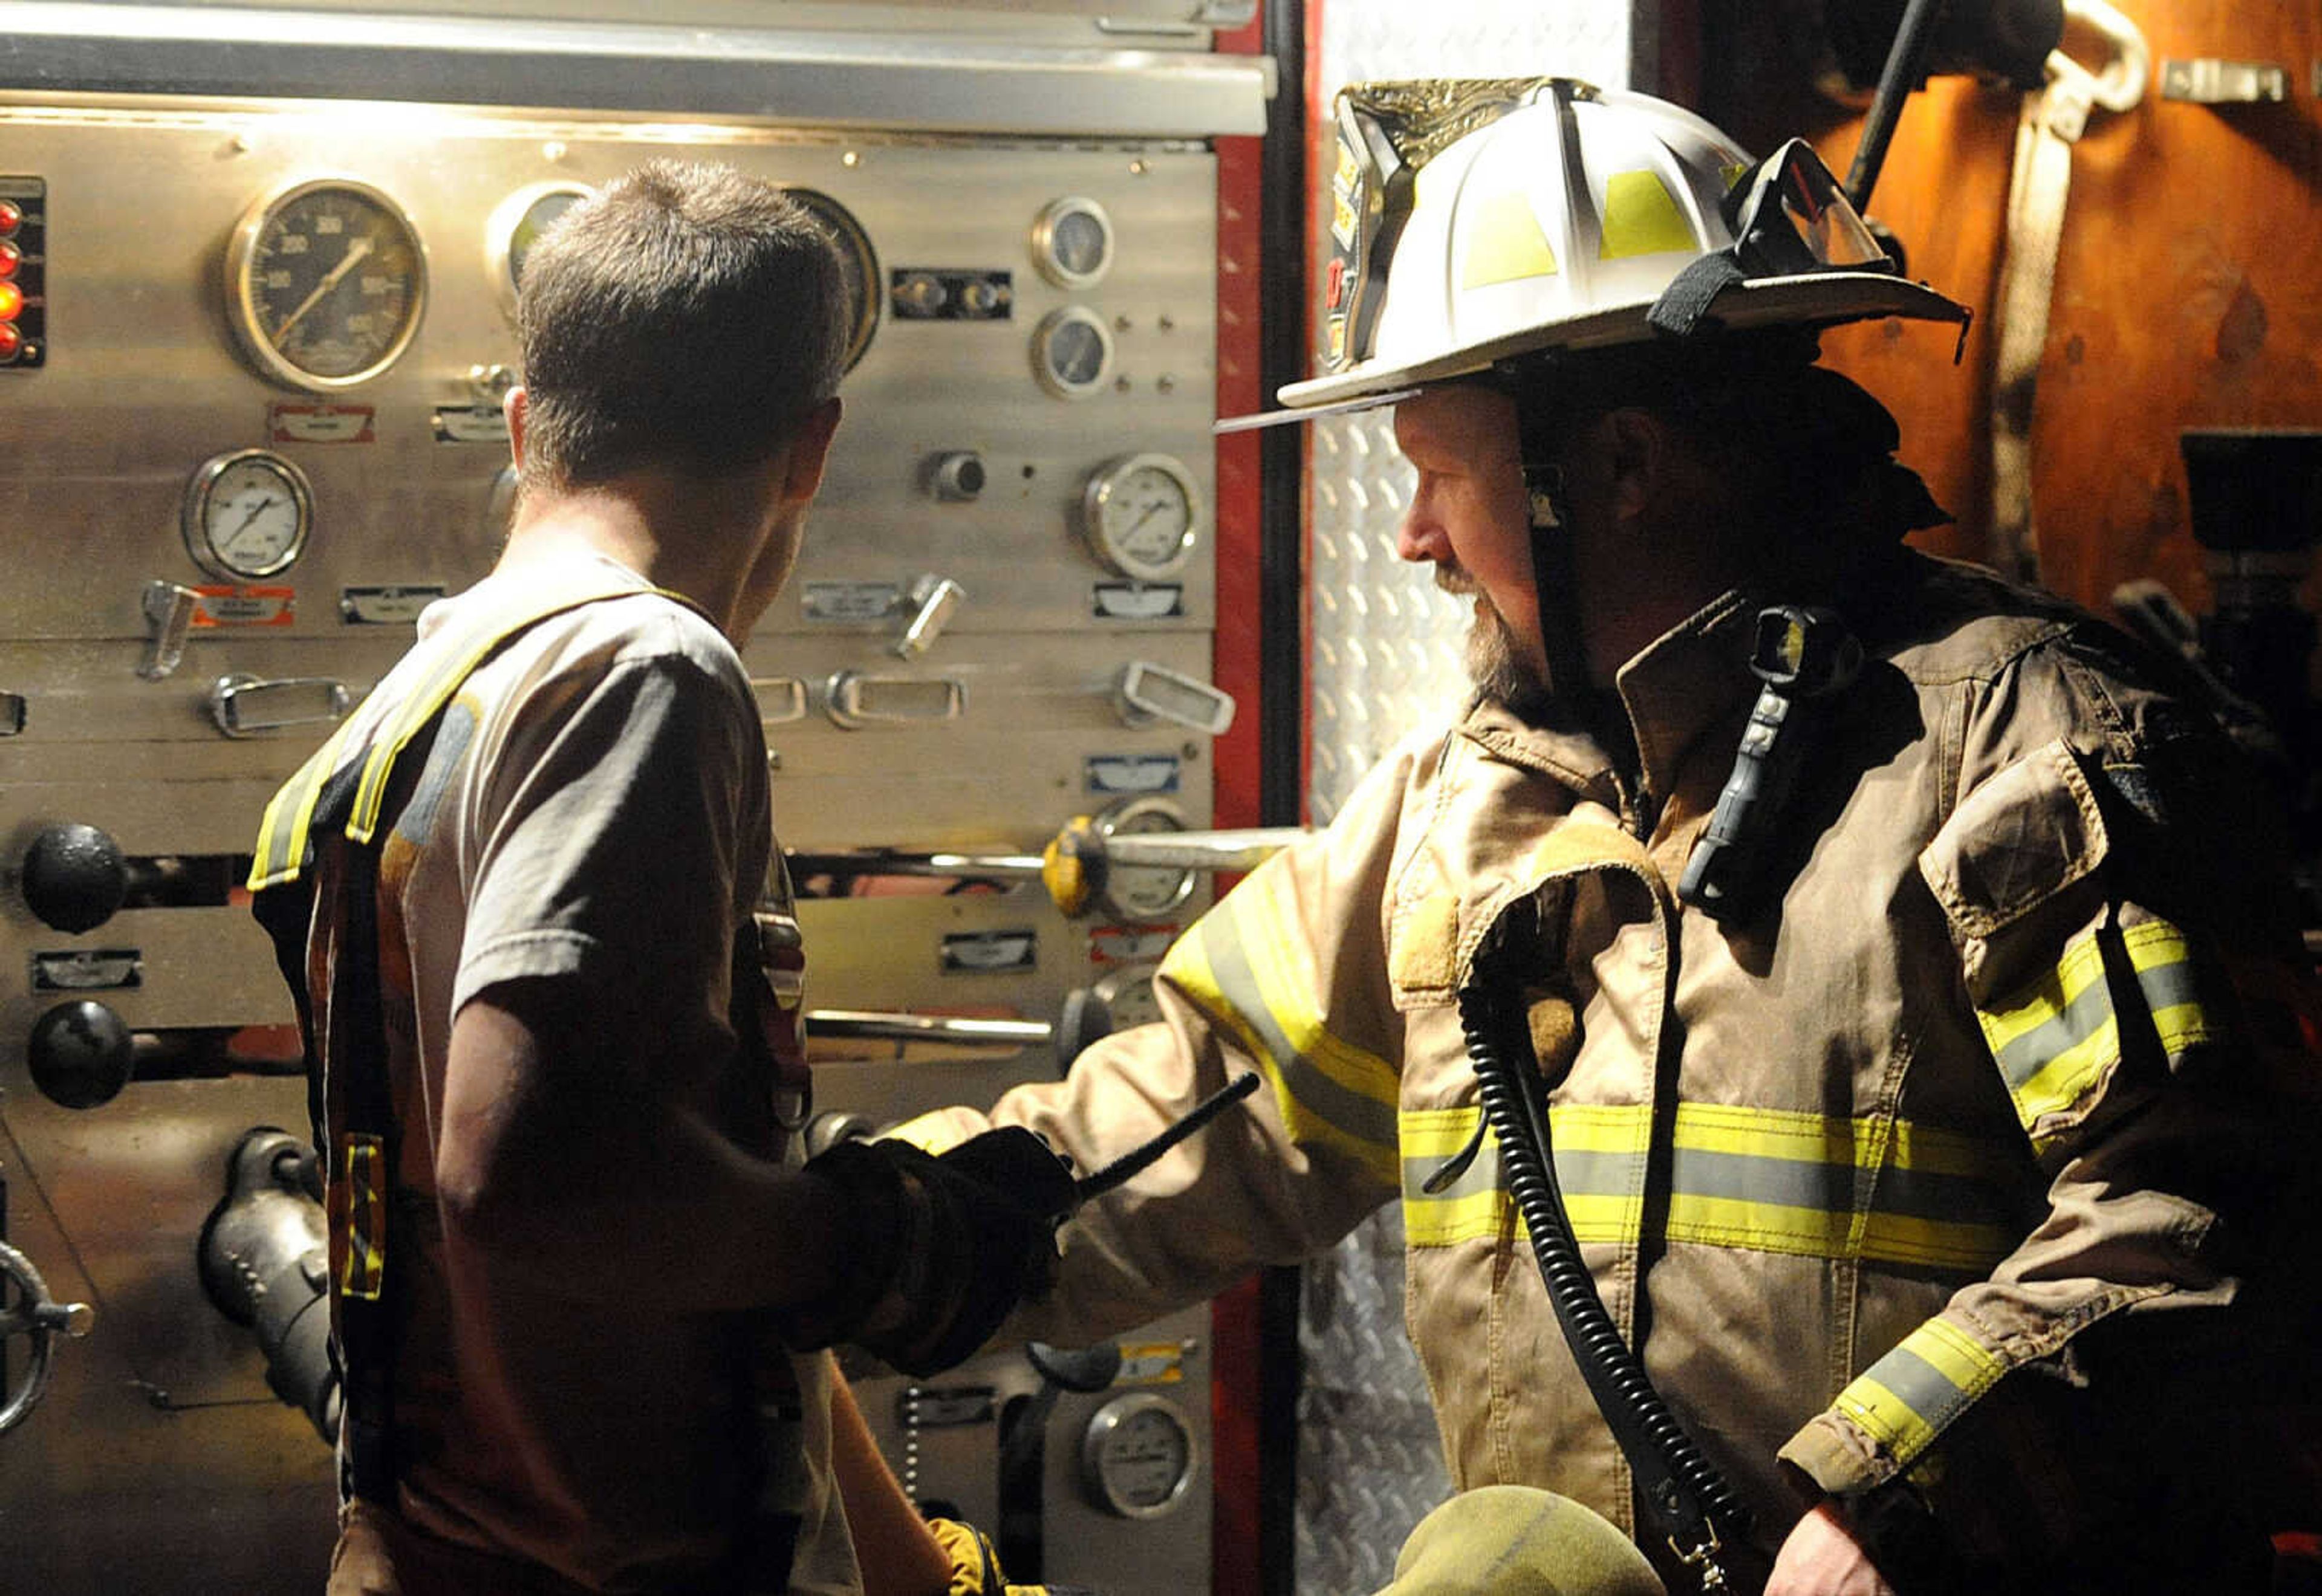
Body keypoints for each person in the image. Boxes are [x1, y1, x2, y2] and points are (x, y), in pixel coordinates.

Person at [887, 79, 2322, 1595]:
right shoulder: (1461, 809)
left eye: (1440, 473)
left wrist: (1898, 1501)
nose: (1413, 544)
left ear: (1620, 469)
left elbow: (2204, 1208)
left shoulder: (2020, 757)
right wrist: (853, 1244)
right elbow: (1196, 1115)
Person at [246, 160, 1068, 1595]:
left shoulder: (415, 708)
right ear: (810, 447)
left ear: (526, 426)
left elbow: (633, 1259)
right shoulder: (646, 666)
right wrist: (881, 1241)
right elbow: (531, 1179)